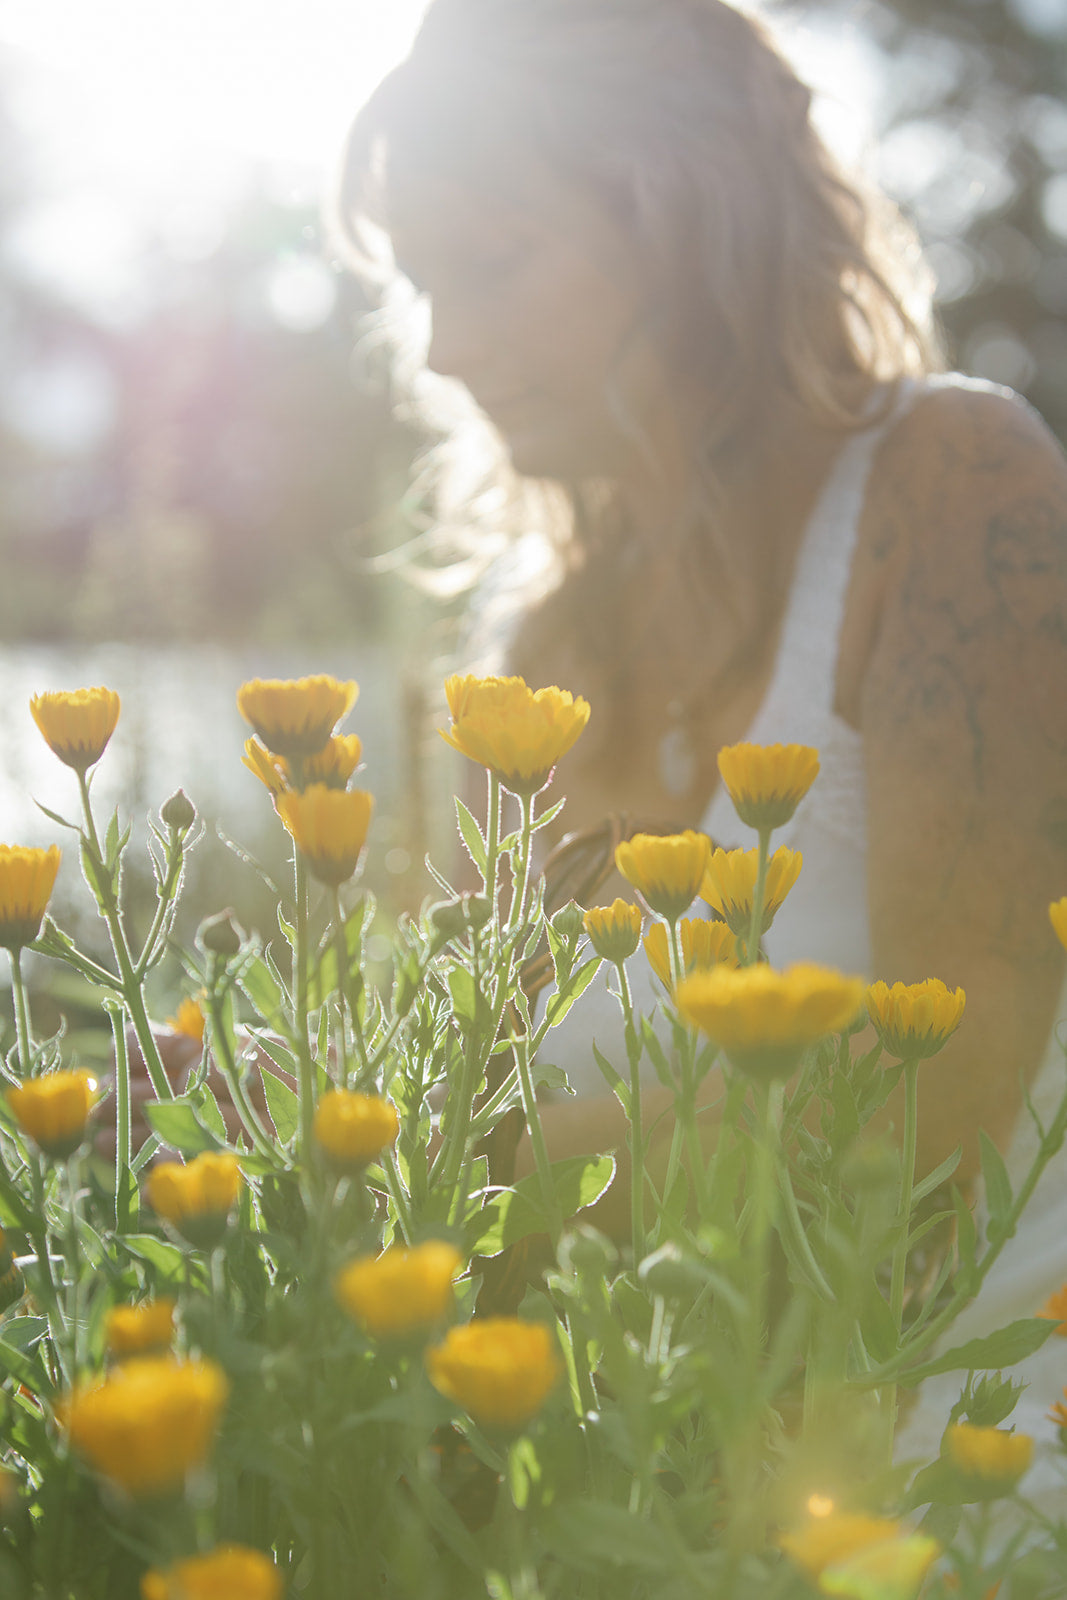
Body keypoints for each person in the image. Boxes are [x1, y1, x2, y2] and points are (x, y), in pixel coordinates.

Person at [337, 0, 1067, 1462]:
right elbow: (460, 1110)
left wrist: (470, 1194)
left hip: (967, 1450)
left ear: (693, 221)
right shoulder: (528, 654)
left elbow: (936, 1107)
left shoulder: (951, 489)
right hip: (641, 1459)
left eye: (493, 263)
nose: (448, 348)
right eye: (421, 287)